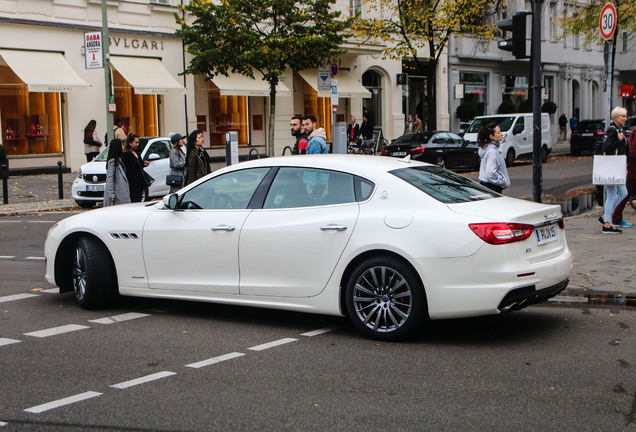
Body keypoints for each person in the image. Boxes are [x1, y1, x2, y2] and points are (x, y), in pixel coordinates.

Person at [598, 107, 629, 234]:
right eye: (623, 116)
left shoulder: (618, 130)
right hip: (611, 168)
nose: (625, 119)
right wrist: (619, 139)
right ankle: (607, 224)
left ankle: (606, 216)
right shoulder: (612, 130)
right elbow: (606, 147)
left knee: (623, 192)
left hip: (616, 168)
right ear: (616, 117)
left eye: (626, 116)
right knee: (611, 195)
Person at [611, 121, 636, 228]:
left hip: (633, 167)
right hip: (634, 167)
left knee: (625, 192)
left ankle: (614, 217)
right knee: (625, 193)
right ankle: (612, 217)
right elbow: (634, 151)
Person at [477, 122, 510, 194]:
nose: (501, 134)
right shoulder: (492, 152)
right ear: (491, 136)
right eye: (498, 133)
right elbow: (491, 173)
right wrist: (502, 181)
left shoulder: (486, 149)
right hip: (493, 187)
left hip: (486, 186)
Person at [121, 133, 148, 203]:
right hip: (133, 183)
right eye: (136, 142)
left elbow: (139, 164)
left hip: (140, 182)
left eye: (138, 142)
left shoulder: (137, 152)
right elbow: (129, 169)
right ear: (130, 143)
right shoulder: (126, 154)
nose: (137, 144)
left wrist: (143, 164)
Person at [103, 139, 130, 206]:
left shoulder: (119, 161)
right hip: (117, 194)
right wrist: (111, 193)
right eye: (121, 145)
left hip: (120, 193)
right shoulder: (113, 162)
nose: (123, 147)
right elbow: (110, 177)